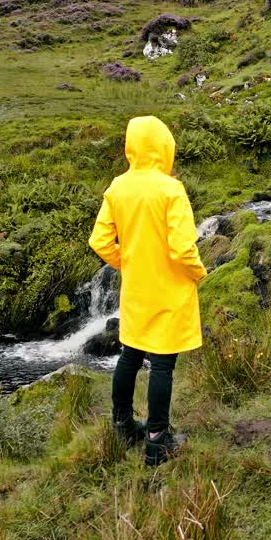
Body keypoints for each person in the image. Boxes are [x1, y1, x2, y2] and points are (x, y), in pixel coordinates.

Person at [89, 115, 207, 466]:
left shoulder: (117, 187)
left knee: (130, 355)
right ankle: (158, 440)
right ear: (163, 146)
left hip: (136, 290)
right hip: (168, 291)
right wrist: (198, 273)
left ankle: (123, 425)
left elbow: (99, 240)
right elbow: (183, 250)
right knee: (162, 366)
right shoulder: (171, 189)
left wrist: (127, 262)